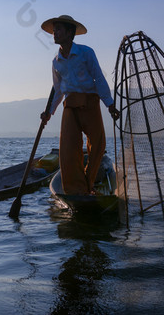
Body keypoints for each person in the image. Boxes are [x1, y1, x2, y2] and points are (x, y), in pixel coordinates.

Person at [40, 15, 120, 196]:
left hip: (90, 102)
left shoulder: (86, 53)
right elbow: (58, 90)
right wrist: (48, 112)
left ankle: (88, 182)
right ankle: (76, 190)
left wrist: (110, 104)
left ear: (70, 33)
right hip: (70, 106)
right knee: (68, 149)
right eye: (54, 30)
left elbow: (98, 78)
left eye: (59, 29)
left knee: (98, 144)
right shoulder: (56, 62)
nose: (55, 33)